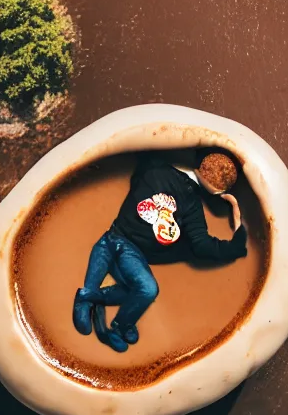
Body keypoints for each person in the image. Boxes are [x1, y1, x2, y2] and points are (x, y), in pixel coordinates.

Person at [72, 148, 248, 353]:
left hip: (122, 245)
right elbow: (203, 246)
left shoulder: (153, 167)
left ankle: (92, 298)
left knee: (134, 292)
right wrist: (236, 244)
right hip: (122, 245)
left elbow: (141, 155)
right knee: (148, 289)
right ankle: (117, 324)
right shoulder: (191, 203)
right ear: (218, 192)